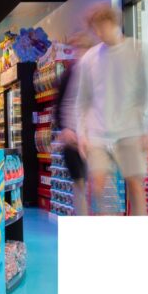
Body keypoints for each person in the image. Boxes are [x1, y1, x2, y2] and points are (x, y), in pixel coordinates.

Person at [76, 3, 148, 216]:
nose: (99, 33)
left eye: (101, 27)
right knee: (97, 186)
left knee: (135, 186)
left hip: (131, 130)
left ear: (114, 22)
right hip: (98, 133)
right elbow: (82, 101)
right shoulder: (89, 59)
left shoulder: (140, 51)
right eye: (95, 29)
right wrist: (82, 134)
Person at [53, 33, 93, 216]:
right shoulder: (69, 74)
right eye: (77, 49)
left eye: (83, 48)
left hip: (93, 137)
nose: (79, 53)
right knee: (80, 184)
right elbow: (59, 104)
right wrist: (65, 129)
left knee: (96, 183)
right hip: (72, 138)